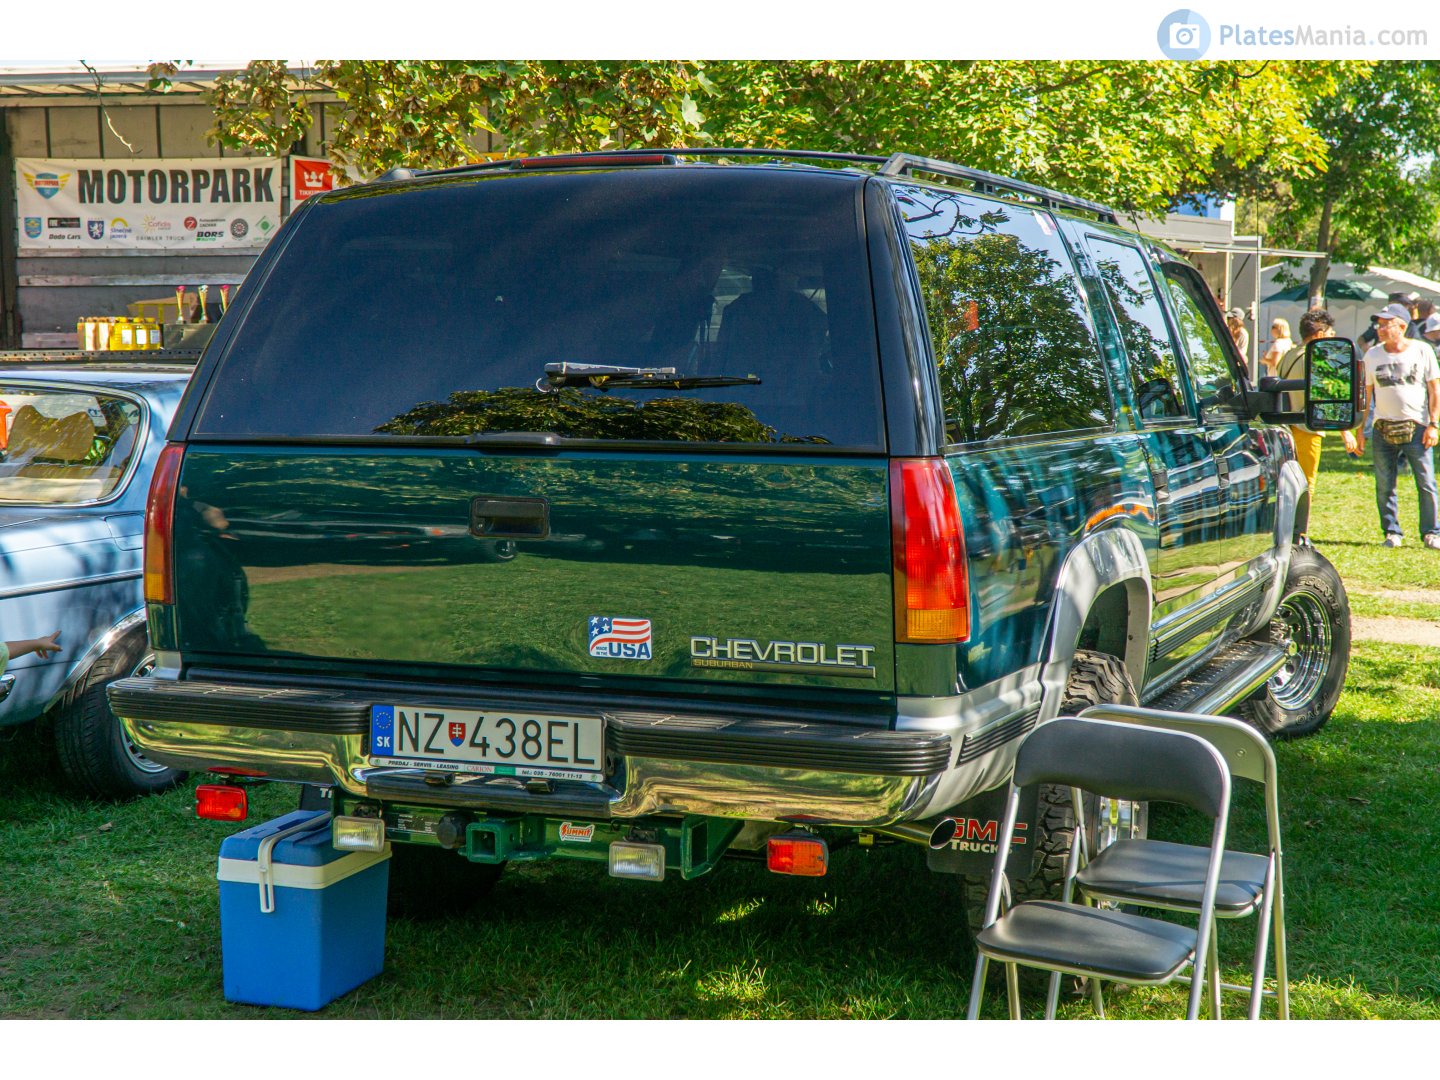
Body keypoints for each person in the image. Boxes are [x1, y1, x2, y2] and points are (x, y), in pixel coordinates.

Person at [1355, 302, 1440, 548]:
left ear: (1401, 326)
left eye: (1385, 324)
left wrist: (1434, 424)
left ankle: (1431, 532)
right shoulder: (1373, 355)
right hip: (1384, 428)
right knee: (1384, 484)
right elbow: (1366, 395)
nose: (1379, 329)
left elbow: (1435, 390)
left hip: (1417, 427)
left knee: (1426, 483)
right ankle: (1392, 532)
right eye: (1378, 325)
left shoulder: (1422, 351)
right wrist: (1361, 429)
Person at [1276, 308, 1358, 499]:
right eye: (1331, 334)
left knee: (1289, 482)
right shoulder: (1315, 359)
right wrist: (1345, 431)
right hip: (1308, 428)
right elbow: (1326, 396)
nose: (1333, 337)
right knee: (1307, 483)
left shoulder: (1289, 354)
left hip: (1287, 427)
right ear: (1320, 335)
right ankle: (1301, 528)